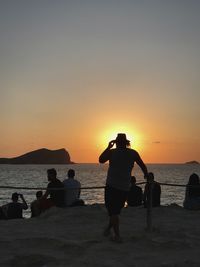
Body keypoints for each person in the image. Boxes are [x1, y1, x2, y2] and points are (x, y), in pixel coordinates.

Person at [99, 133, 148, 242]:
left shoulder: (112, 152)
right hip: (125, 187)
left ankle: (117, 236)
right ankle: (108, 230)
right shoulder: (133, 153)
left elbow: (101, 160)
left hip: (112, 186)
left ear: (116, 142)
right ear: (126, 143)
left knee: (113, 212)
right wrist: (146, 174)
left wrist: (108, 147)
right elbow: (142, 165)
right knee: (115, 212)